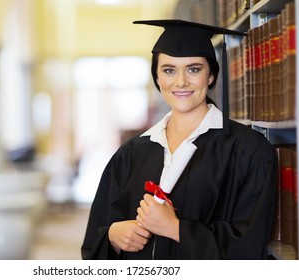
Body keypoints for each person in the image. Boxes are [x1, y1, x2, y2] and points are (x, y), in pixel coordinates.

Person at [81, 19, 278, 260]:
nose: (181, 81)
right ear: (157, 77)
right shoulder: (132, 153)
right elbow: (95, 239)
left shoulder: (249, 151)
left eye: (194, 69)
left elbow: (251, 245)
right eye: (169, 70)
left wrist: (176, 229)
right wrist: (113, 236)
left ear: (211, 75)